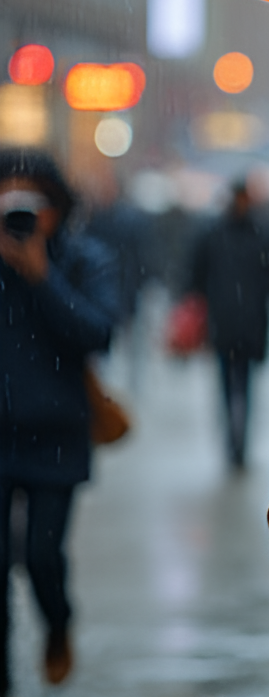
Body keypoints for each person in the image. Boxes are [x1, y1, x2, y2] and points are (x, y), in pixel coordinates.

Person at [0, 148, 118, 693]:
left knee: (43, 556)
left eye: (35, 202)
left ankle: (58, 624)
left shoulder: (82, 258)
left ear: (57, 206)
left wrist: (43, 277)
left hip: (56, 434)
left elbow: (98, 332)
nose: (22, 213)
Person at [192, 181, 269, 468]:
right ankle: (234, 441)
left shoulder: (221, 233)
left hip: (241, 323)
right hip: (233, 322)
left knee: (240, 386)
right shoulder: (253, 234)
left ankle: (237, 441)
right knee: (232, 386)